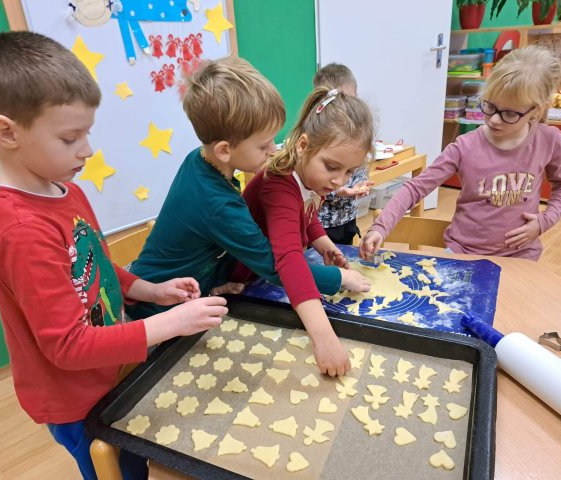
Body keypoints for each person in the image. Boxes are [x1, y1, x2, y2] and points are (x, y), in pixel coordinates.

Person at [0, 31, 228, 480]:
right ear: (7, 131)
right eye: (70, 137)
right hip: (74, 398)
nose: (87, 150)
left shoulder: (66, 190)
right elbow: (67, 346)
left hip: (112, 370)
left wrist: (150, 290)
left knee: (137, 460)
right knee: (119, 471)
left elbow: (97, 268)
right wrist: (169, 324)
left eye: (87, 133)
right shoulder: (21, 232)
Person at [128, 57, 370, 320]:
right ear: (224, 150)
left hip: (183, 290)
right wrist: (339, 277)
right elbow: (276, 266)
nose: (273, 150)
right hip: (157, 309)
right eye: (264, 145)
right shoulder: (218, 204)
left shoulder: (199, 159)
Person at [359, 45, 561, 261]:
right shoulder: (464, 146)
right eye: (489, 106)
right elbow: (415, 188)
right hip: (465, 252)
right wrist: (381, 227)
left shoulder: (550, 140)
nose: (494, 119)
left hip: (521, 255)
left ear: (536, 110)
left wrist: (545, 221)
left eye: (509, 114)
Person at [242, 87, 375, 377]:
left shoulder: (310, 177)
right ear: (303, 145)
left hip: (262, 277)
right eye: (332, 167)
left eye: (349, 172)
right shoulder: (279, 184)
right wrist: (324, 337)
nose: (339, 181)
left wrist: (325, 246)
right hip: (241, 280)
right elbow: (289, 258)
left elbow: (306, 213)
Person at [314, 63, 373, 245]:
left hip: (348, 218)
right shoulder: (319, 135)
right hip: (320, 225)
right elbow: (311, 184)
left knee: (346, 255)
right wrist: (337, 191)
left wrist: (360, 182)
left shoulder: (358, 133)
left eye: (348, 100)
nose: (345, 109)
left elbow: (360, 166)